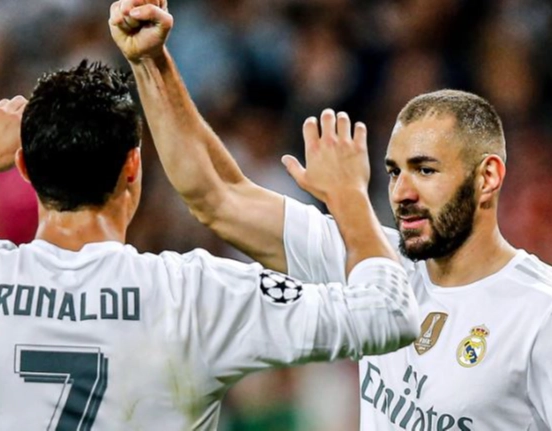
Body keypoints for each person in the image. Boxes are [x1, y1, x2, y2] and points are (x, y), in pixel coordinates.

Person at [108, 0, 552, 429]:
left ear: (487, 177)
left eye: (425, 170)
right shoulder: (377, 267)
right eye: (394, 172)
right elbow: (216, 197)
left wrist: (347, 196)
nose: (402, 192)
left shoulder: (538, 313)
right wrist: (151, 61)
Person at [0, 59, 419, 429]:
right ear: (134, 166)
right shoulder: (195, 293)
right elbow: (388, 314)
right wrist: (348, 196)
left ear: (23, 168)